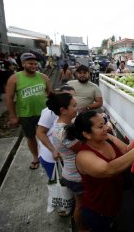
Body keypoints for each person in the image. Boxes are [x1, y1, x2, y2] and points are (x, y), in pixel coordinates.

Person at [66, 110, 134, 231]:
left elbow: (126, 150)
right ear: (87, 134)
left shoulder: (107, 138)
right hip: (98, 211)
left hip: (113, 203)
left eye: (104, 124)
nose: (105, 128)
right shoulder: (83, 156)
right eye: (100, 126)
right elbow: (108, 170)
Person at [47, 92, 87, 230]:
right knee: (81, 205)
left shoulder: (64, 125)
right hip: (76, 176)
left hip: (72, 173)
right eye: (74, 105)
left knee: (81, 204)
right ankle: (82, 229)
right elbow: (82, 149)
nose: (77, 107)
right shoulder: (63, 131)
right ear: (63, 110)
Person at [5, 52, 52, 170]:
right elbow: (9, 98)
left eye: (35, 64)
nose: (34, 66)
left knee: (47, 135)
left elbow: (51, 95)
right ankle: (36, 157)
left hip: (44, 113)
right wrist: (13, 116)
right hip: (26, 114)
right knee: (30, 137)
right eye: (30, 63)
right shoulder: (14, 78)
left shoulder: (43, 77)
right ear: (23, 64)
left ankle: (48, 155)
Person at [36, 85, 75, 180]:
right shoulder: (49, 112)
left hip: (66, 156)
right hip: (52, 157)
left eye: (73, 96)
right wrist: (53, 150)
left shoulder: (72, 109)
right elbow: (40, 132)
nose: (71, 99)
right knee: (59, 186)